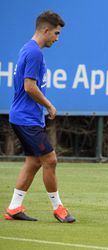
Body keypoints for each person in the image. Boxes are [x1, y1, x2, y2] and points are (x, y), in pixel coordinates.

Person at [4, 11, 75, 223]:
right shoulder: (34, 53)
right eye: (56, 33)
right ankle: (58, 208)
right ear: (45, 30)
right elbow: (29, 87)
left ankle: (14, 208)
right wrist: (49, 105)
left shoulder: (27, 48)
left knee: (34, 162)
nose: (57, 38)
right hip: (26, 118)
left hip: (25, 117)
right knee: (50, 159)